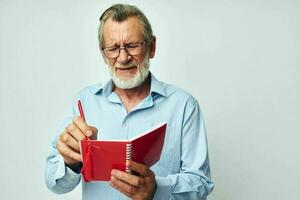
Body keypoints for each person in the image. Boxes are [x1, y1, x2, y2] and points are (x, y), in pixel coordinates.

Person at [45, 3, 214, 200]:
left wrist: (156, 189)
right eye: (113, 48)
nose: (123, 58)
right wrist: (69, 162)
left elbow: (201, 183)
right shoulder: (84, 101)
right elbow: (54, 184)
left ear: (152, 47)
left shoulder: (184, 105)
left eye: (133, 45)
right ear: (103, 54)